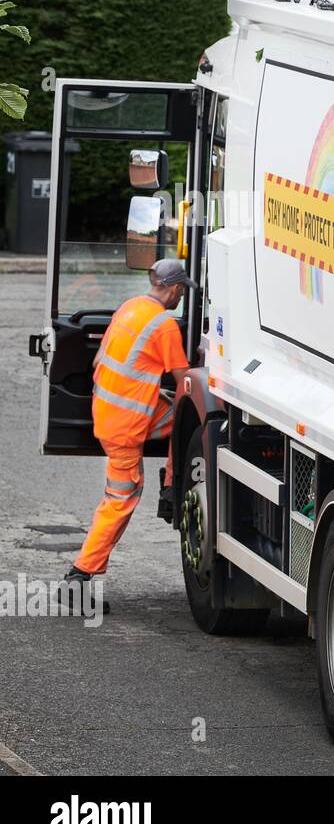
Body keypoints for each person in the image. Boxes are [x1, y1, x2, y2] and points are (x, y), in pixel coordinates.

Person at [63, 258, 194, 608]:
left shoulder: (130, 308)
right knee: (119, 500)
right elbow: (186, 383)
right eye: (182, 290)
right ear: (176, 288)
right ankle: (78, 576)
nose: (182, 296)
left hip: (108, 412)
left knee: (176, 416)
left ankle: (170, 484)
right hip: (127, 426)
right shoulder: (164, 326)